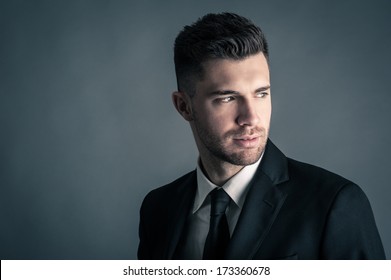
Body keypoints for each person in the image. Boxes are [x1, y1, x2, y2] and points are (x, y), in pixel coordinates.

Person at [137, 12, 385, 260]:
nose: (251, 117)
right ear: (184, 106)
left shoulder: (335, 204)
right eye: (227, 98)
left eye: (261, 94)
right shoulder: (158, 208)